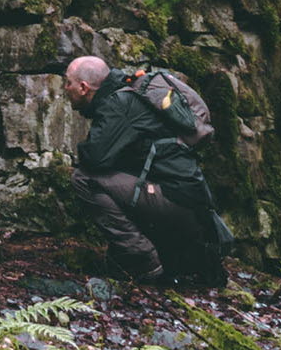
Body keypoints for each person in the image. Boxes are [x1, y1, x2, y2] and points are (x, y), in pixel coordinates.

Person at [65, 54, 224, 286]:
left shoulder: (119, 104)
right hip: (188, 199)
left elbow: (94, 159)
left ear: (83, 87)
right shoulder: (129, 94)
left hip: (175, 197)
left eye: (67, 82)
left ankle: (143, 261)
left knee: (84, 180)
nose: (65, 88)